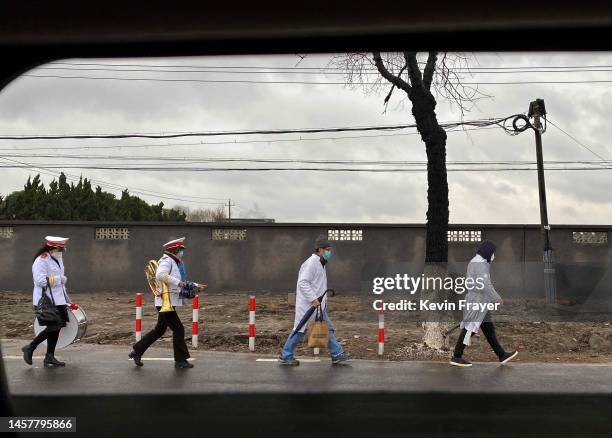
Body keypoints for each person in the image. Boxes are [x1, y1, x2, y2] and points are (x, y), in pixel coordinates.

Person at [129, 237, 204, 369]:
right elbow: (160, 275)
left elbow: (177, 279)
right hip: (164, 302)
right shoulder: (167, 261)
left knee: (159, 330)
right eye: (181, 250)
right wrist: (179, 283)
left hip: (168, 301)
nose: (182, 252)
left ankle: (137, 351)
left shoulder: (175, 262)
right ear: (175, 250)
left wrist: (196, 285)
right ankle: (180, 361)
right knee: (179, 329)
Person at [279, 235, 351, 366]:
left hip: (318, 306)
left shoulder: (320, 263)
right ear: (319, 250)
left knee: (327, 328)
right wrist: (313, 299)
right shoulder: (312, 263)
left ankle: (337, 354)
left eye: (330, 249)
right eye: (327, 249)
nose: (330, 252)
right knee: (300, 330)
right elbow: (303, 283)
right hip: (309, 305)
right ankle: (286, 354)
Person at [450, 240, 518, 367]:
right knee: (470, 328)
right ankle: (456, 356)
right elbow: (485, 284)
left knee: (488, 328)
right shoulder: (479, 264)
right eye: (492, 253)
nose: (493, 256)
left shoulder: (477, 262)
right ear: (487, 252)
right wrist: (497, 297)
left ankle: (501, 354)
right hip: (478, 302)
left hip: (480, 301)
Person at [22, 236, 77, 367]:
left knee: (56, 328)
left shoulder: (57, 258)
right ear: (53, 248)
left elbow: (61, 285)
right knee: (54, 326)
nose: (62, 252)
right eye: (60, 249)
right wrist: (59, 279)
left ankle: (49, 357)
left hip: (58, 300)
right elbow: (40, 281)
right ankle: (30, 347)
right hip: (45, 300)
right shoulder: (41, 260)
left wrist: (67, 300)